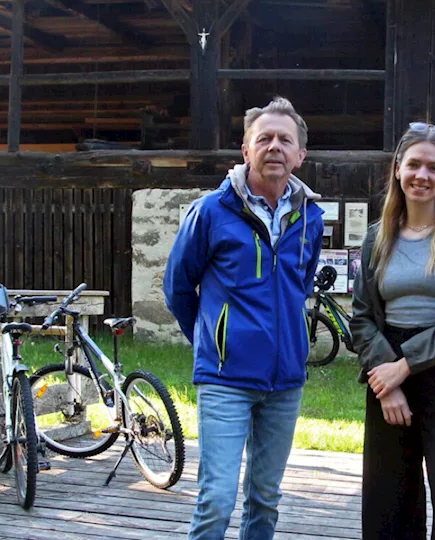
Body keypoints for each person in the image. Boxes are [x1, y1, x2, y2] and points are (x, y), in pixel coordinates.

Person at [163, 96, 325, 540]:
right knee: (216, 499)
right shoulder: (211, 212)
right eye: (264, 138)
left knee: (265, 499)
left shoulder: (311, 217)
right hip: (225, 379)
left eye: (284, 140)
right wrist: (211, 338)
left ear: (300, 155)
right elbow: (178, 287)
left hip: (286, 380)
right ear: (246, 149)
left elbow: (301, 285)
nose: (275, 146)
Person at [350, 121, 435, 540]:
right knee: (388, 508)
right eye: (414, 165)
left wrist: (405, 366)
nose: (422, 176)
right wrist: (388, 379)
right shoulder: (377, 238)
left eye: (434, 167)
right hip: (385, 373)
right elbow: (361, 317)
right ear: (397, 168)